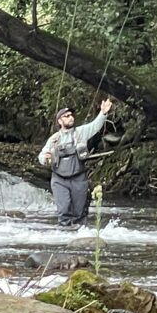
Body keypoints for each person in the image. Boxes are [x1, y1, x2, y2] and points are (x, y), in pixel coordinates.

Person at [38, 98, 112, 228]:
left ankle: (78, 237)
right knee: (64, 210)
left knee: (80, 212)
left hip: (79, 178)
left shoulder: (81, 132)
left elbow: (95, 126)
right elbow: (42, 156)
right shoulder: (54, 139)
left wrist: (103, 113)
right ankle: (65, 235)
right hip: (59, 180)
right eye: (66, 116)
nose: (70, 117)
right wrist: (45, 158)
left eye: (71, 115)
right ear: (60, 121)